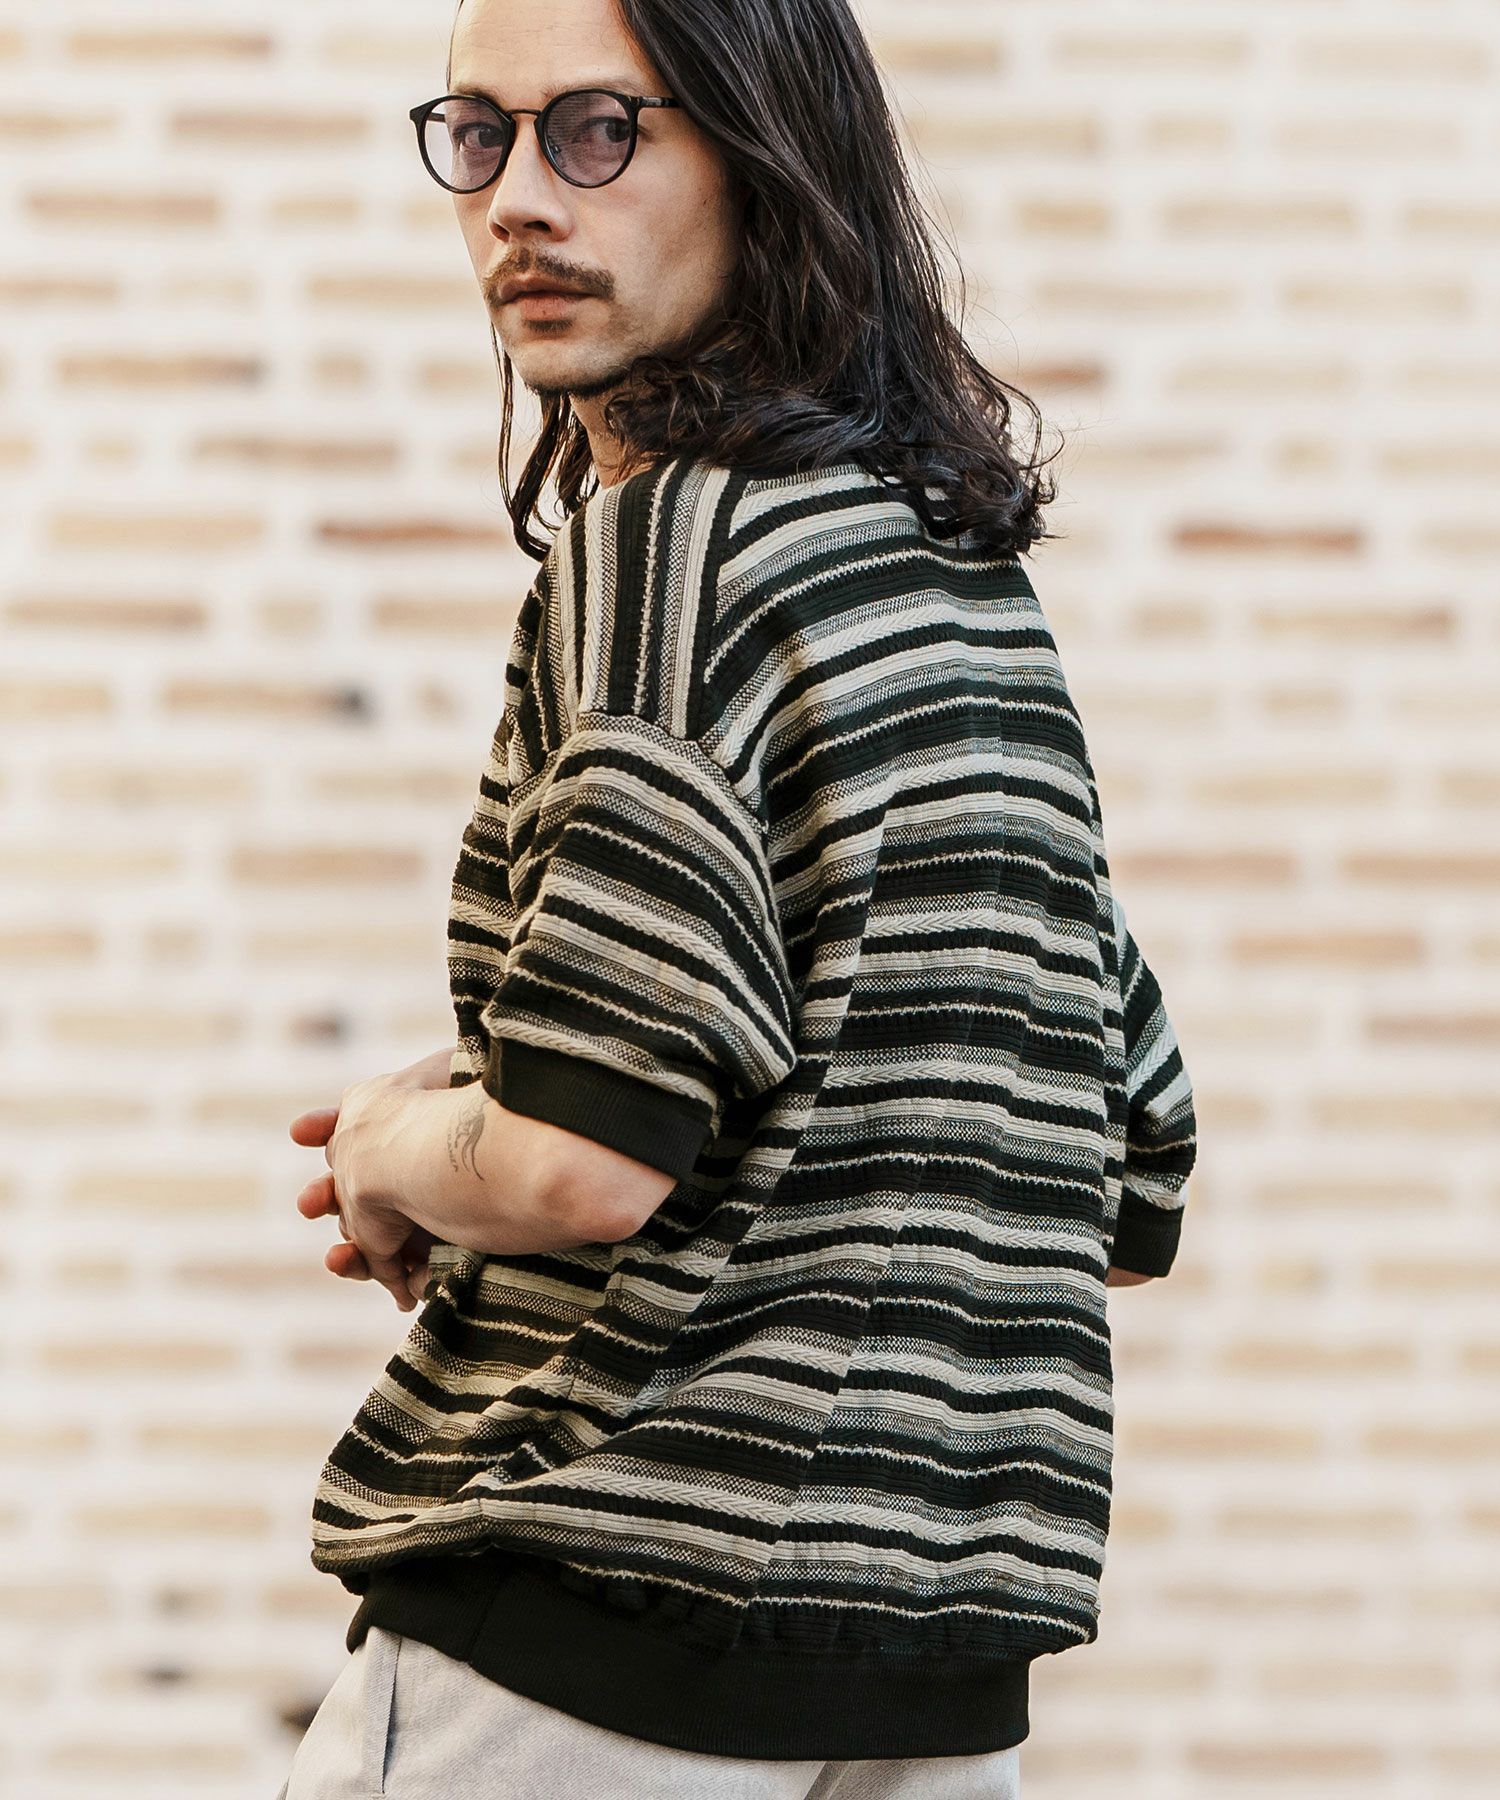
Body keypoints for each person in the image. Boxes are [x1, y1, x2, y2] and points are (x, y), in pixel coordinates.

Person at [275, 0, 1199, 1793]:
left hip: (589, 1659)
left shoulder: (668, 548)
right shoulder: (952, 585)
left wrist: (397, 1146)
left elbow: (582, 1163)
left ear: (767, 155)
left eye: (597, 129)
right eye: (479, 134)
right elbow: (1126, 1162)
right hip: (928, 1689)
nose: (517, 201)